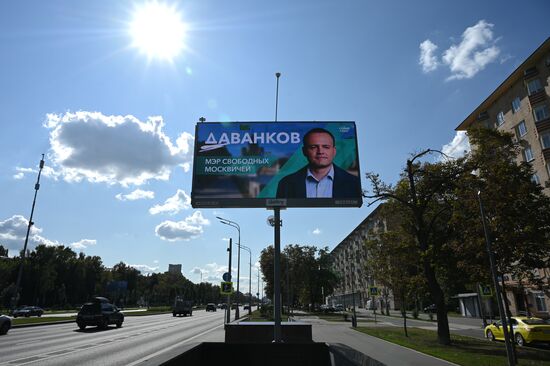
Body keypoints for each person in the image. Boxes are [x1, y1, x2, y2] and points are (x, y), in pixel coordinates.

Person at [276, 128, 361, 198]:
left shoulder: (354, 183)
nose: (320, 151)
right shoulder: (286, 184)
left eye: (326, 147)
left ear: (334, 151)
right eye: (313, 147)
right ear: (304, 151)